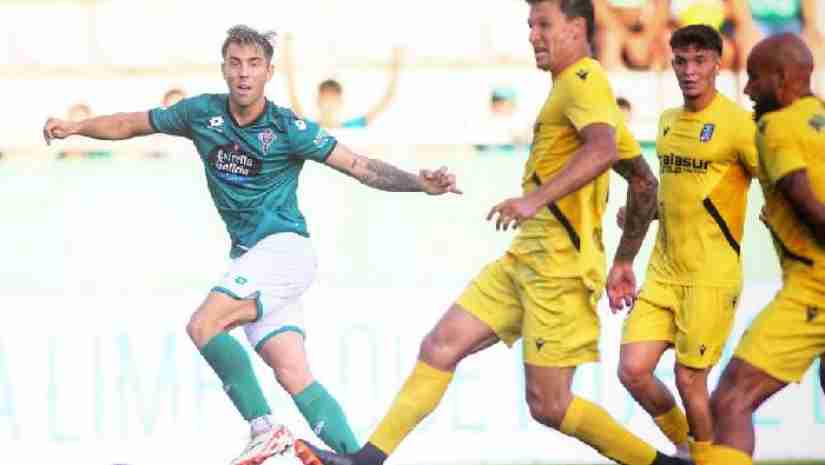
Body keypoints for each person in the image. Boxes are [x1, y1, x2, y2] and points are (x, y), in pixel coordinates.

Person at [42, 25, 460, 465]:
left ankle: (264, 428)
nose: (244, 73)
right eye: (236, 63)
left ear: (269, 72)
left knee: (204, 325)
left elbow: (360, 166)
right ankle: (355, 460)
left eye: (254, 64)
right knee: (294, 374)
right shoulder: (200, 113)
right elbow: (130, 124)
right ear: (224, 69)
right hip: (253, 259)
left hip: (284, 251)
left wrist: (419, 183)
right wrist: (76, 127)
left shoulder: (288, 127)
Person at [292, 2, 687, 465]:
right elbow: (643, 182)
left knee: (550, 405)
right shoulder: (574, 88)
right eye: (530, 25)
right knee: (440, 346)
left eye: (544, 25)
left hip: (559, 271)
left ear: (578, 28)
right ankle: (367, 461)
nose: (533, 35)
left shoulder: (584, 80)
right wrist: (623, 261)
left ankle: (674, 459)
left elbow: (602, 150)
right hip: (525, 260)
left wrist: (535, 200)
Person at [609, 24, 758, 465]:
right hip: (663, 271)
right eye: (681, 61)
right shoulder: (668, 122)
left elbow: (775, 179)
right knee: (632, 370)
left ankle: (706, 460)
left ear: (717, 64)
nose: (689, 71)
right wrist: (645, 212)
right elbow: (678, 193)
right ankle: (690, 449)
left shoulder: (738, 126)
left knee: (690, 379)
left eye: (699, 61)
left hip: (709, 275)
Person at [708, 33, 825, 465]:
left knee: (731, 399)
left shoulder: (774, 127)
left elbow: (805, 202)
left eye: (754, 78)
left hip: (814, 287)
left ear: (782, 77)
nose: (747, 89)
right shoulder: (820, 115)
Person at [283, 33, 402, 129]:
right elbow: (293, 95)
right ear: (318, 100)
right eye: (326, 98)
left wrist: (396, 62)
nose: (329, 103)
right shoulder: (309, 127)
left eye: (333, 98)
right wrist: (287, 50)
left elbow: (387, 98)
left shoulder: (353, 127)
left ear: (340, 101)